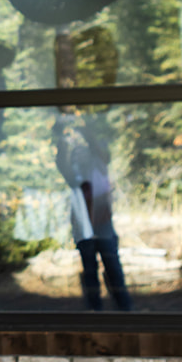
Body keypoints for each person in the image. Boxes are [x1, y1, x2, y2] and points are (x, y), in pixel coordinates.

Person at [53, 114, 133, 312]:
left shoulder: (99, 168)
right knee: (89, 270)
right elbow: (61, 160)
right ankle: (94, 309)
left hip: (103, 224)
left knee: (112, 265)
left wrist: (85, 128)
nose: (79, 156)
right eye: (76, 154)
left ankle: (124, 307)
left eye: (83, 153)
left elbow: (99, 151)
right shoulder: (73, 177)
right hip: (84, 228)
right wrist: (61, 136)